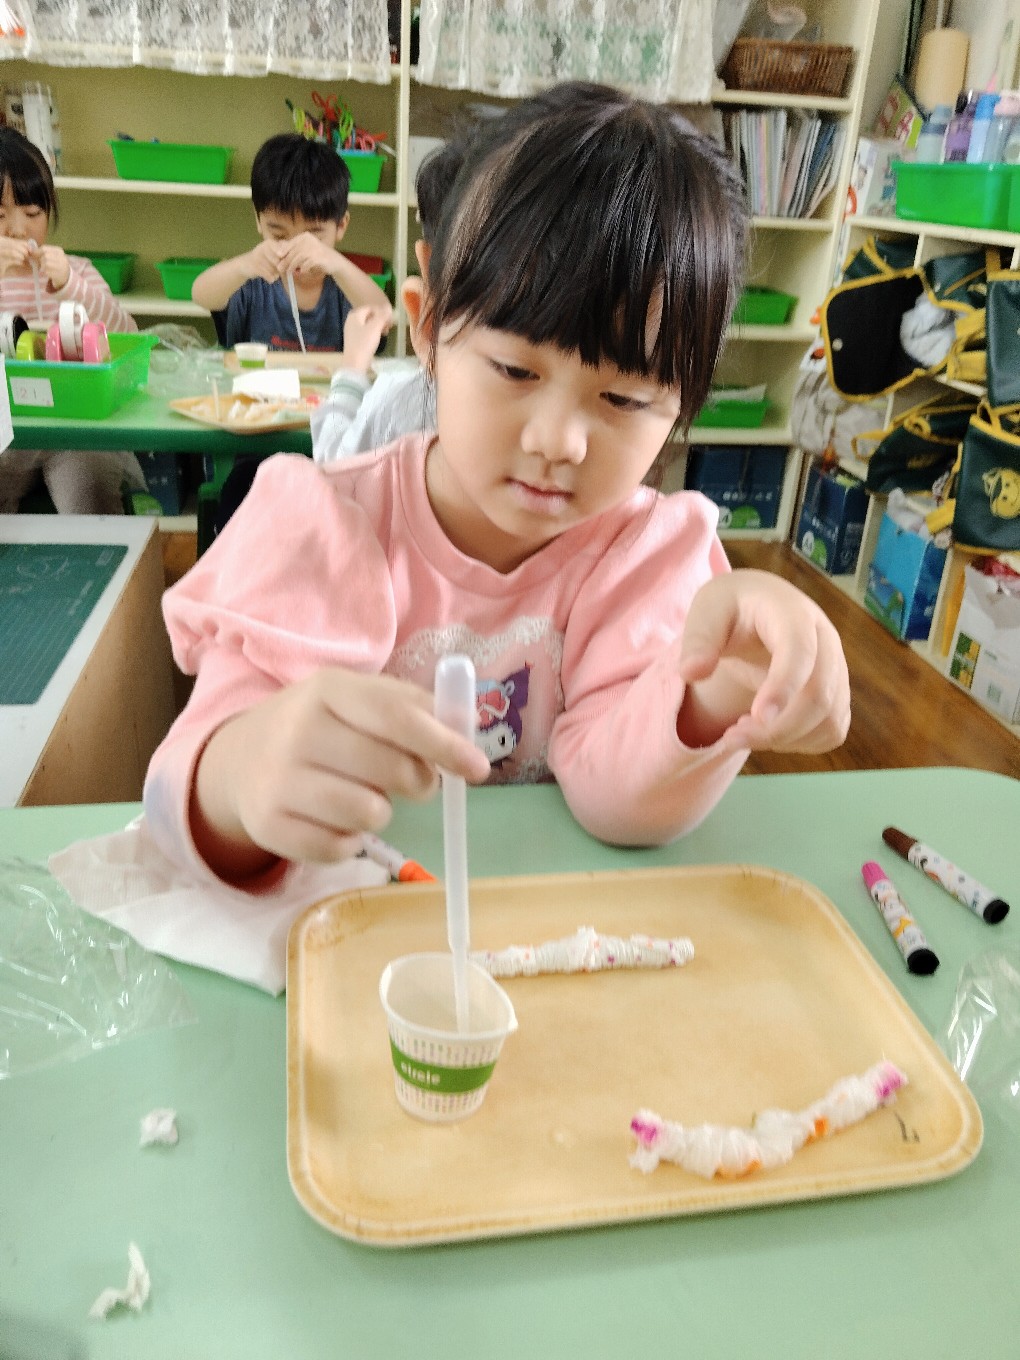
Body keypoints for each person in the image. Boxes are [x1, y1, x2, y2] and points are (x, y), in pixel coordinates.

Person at [144, 82, 850, 890]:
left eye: (624, 400)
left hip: (540, 928)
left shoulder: (642, 557)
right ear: (427, 324)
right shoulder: (324, 526)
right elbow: (177, 796)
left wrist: (720, 687)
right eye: (516, 370)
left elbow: (614, 798)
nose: (559, 441)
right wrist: (241, 777)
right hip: (357, 931)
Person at [0, 127, 145, 514]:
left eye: (32, 213)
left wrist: (70, 286)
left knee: (92, 500)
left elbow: (127, 333)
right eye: (0, 215)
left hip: (73, 432)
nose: (17, 229)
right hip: (4, 432)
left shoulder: (75, 270)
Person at [191, 132, 392, 354]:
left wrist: (338, 264)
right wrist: (244, 265)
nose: (297, 249)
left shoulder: (347, 287)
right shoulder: (252, 282)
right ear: (258, 220)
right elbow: (200, 294)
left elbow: (383, 316)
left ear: (341, 226)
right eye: (279, 235)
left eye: (313, 238)